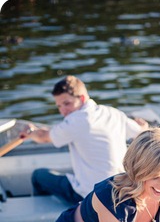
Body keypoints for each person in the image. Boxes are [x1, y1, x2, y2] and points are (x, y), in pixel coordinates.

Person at [20, 75, 148, 204]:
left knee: (38, 175)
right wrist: (143, 126)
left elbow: (43, 138)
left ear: (81, 98)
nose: (63, 111)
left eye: (67, 103)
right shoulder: (113, 113)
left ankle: (40, 209)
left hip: (90, 195)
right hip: (121, 189)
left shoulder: (76, 120)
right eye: (59, 106)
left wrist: (30, 132)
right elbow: (140, 132)